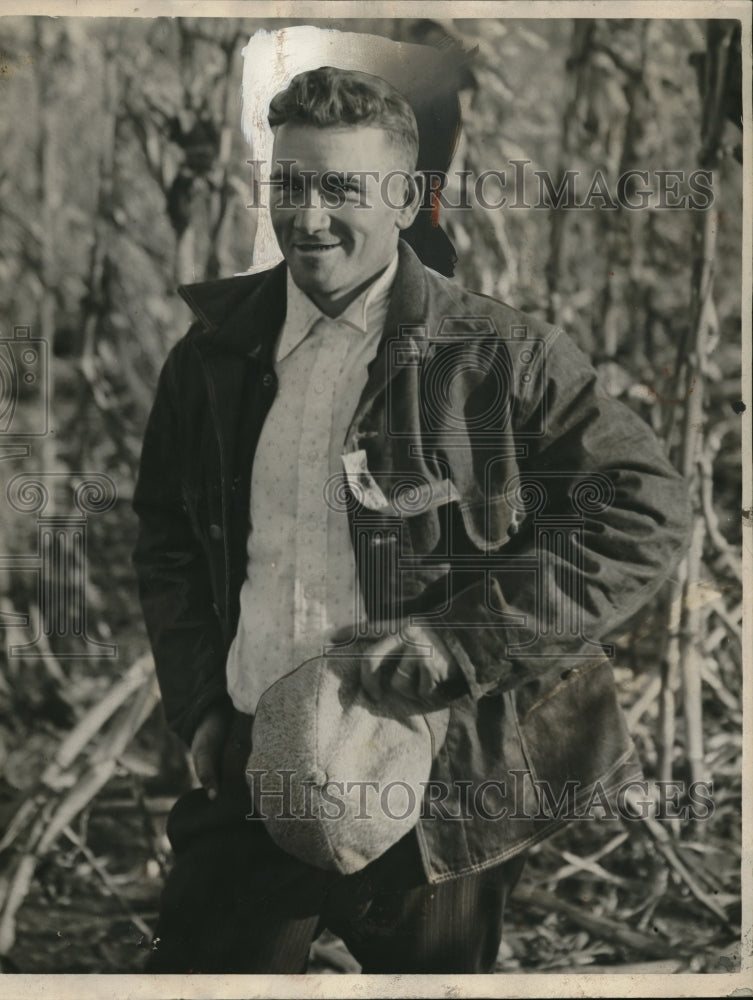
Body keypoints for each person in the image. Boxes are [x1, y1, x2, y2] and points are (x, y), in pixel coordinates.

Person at [132, 66, 691, 974]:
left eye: (340, 188)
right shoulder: (211, 356)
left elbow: (641, 507)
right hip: (251, 766)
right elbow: (163, 531)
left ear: (408, 199)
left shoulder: (496, 354)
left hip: (435, 784)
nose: (308, 216)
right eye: (289, 184)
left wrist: (462, 638)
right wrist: (198, 704)